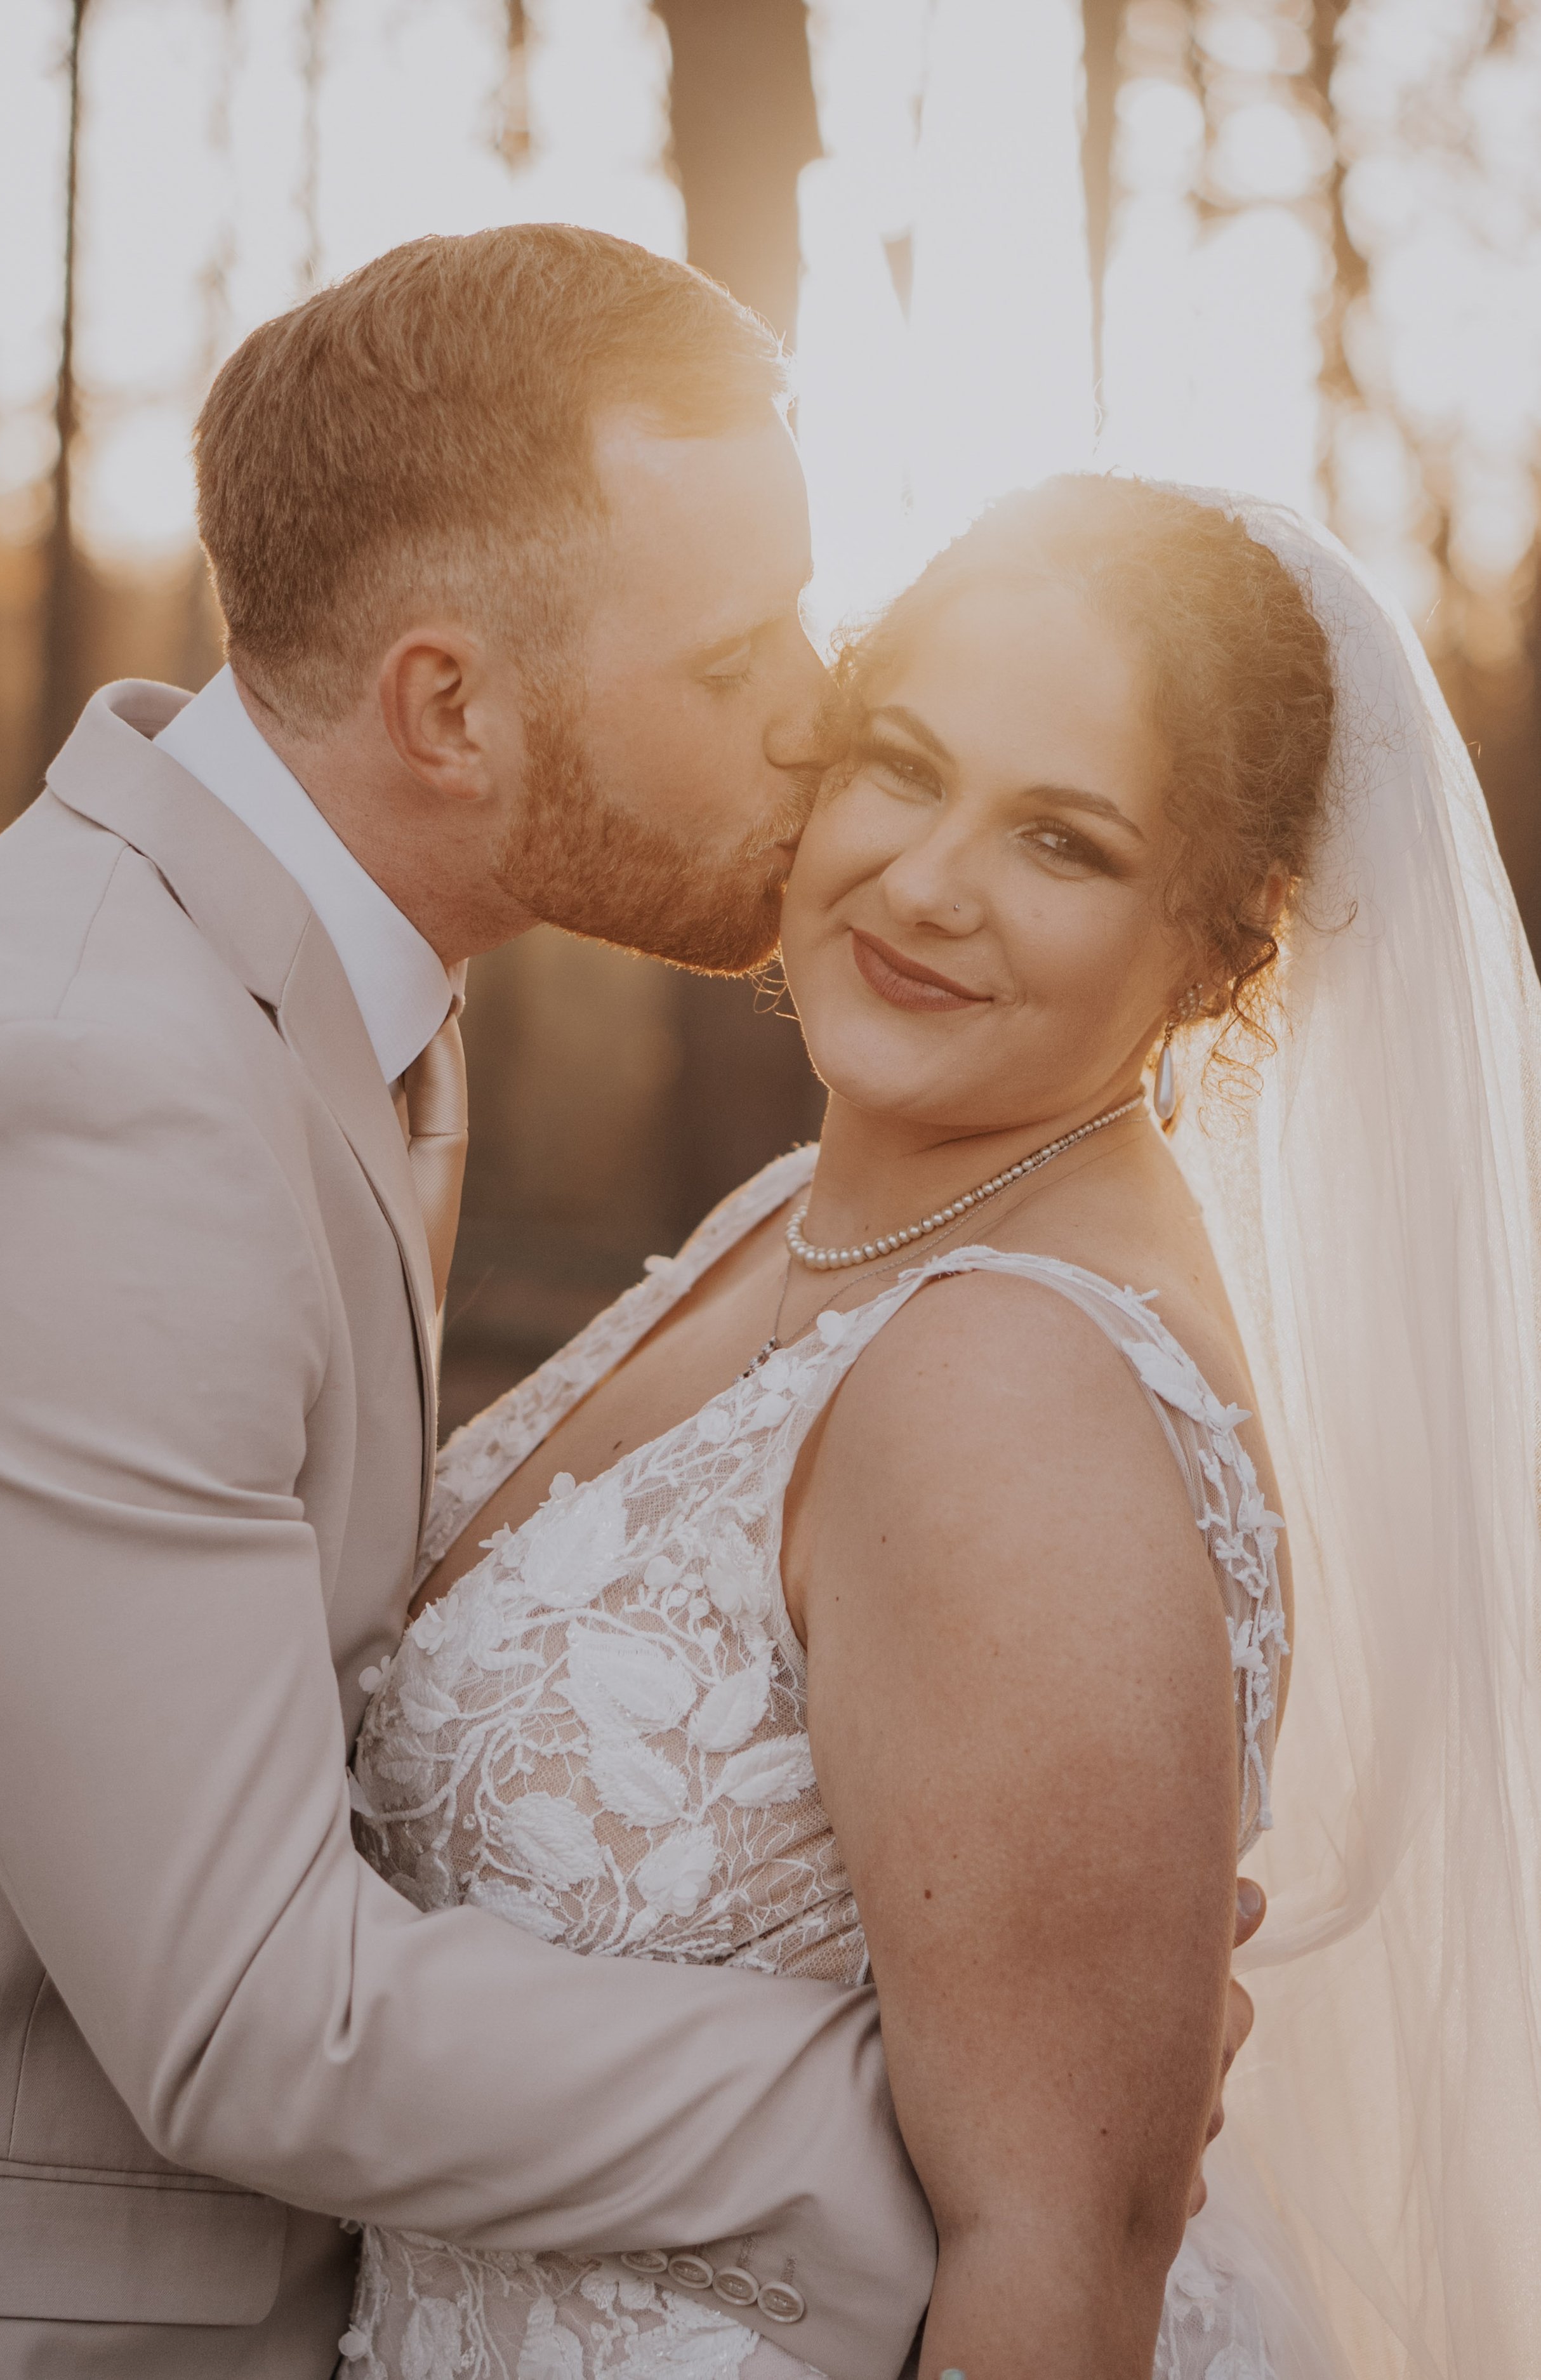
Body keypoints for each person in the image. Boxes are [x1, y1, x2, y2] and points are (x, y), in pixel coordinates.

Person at [0, 230, 1248, 2380]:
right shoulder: (100, 1083)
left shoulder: (296, 962)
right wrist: (975, 2135)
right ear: (449, 706)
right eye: (737, 657)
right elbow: (243, 2012)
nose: (814, 710)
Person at [346, 472, 1541, 2380]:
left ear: (1225, 944)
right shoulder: (809, 1219)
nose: (923, 883)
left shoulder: (1011, 1383)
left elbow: (1060, 2263)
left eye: (1060, 841)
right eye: (900, 767)